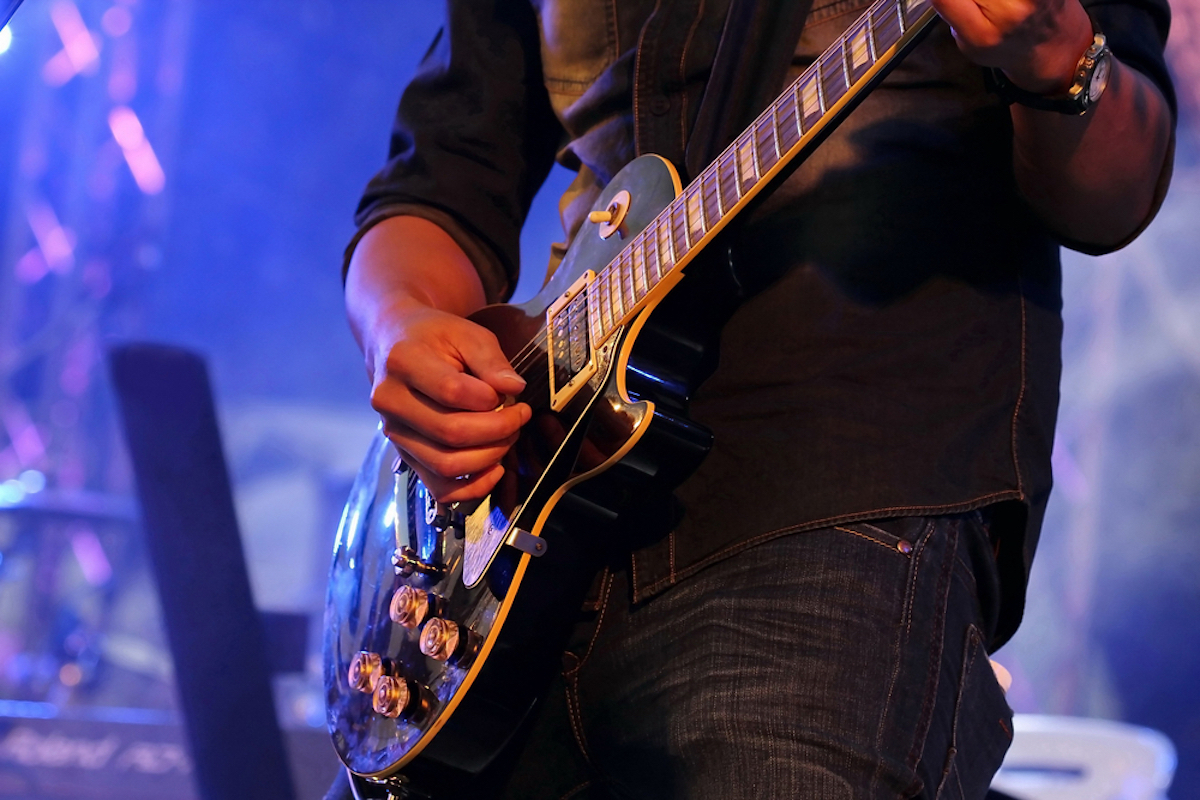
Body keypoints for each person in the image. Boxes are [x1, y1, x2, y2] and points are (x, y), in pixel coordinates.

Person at [332, 0, 1174, 797]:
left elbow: (1116, 189)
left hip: (834, 507)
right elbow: (439, 181)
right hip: (527, 522)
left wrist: (1055, 56)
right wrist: (401, 328)